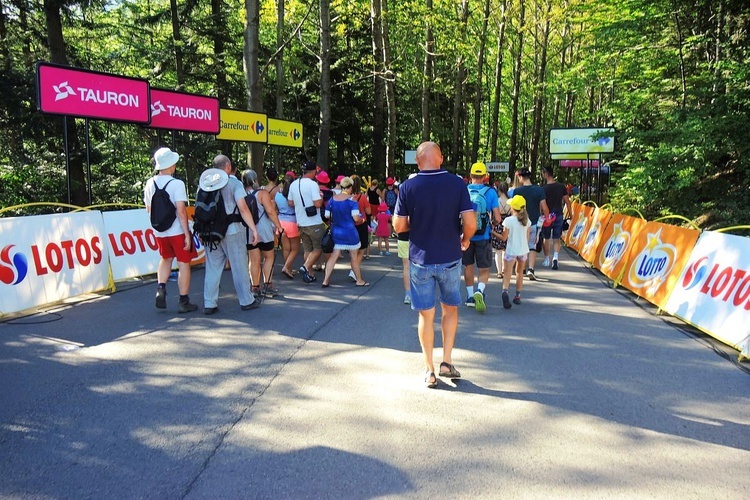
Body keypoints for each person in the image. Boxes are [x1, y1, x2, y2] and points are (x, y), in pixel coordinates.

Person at [393, 141, 476, 389]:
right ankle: (446, 362)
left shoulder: (408, 187)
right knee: (450, 309)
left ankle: (429, 370)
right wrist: (466, 239)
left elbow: (398, 226)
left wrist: (415, 225)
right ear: (440, 158)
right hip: (450, 257)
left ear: (418, 162)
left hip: (420, 260)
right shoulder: (457, 184)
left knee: (426, 315)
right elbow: (470, 221)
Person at [201, 155, 260, 315]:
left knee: (212, 268)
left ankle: (209, 303)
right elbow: (243, 208)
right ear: (227, 166)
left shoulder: (204, 184)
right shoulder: (234, 182)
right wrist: (253, 229)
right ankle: (247, 300)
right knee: (239, 266)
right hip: (232, 230)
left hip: (211, 232)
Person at [143, 147, 199, 313]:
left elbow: (148, 208)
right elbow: (181, 211)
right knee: (183, 264)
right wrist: (187, 235)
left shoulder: (150, 183)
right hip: (177, 231)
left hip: (160, 231)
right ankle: (184, 300)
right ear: (171, 165)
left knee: (165, 258)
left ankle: (161, 288)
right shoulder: (177, 184)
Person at [462, 162, 501, 313]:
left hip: (466, 236)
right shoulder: (490, 192)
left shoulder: (464, 191)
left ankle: (470, 297)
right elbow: (497, 217)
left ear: (470, 176)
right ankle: (480, 290)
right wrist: (491, 221)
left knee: (468, 266)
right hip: (483, 235)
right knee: (484, 269)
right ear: (485, 176)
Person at [242, 169, 283, 298]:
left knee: (253, 259)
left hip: (249, 230)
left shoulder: (240, 193)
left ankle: (255, 287)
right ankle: (268, 284)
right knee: (268, 256)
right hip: (263, 230)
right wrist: (279, 226)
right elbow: (270, 212)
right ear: (255, 179)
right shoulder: (261, 194)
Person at [320, 177, 368, 287]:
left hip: (336, 231)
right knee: (354, 257)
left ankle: (325, 280)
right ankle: (359, 280)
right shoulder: (352, 200)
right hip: (350, 232)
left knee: (334, 256)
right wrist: (363, 219)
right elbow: (356, 218)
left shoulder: (332, 199)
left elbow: (327, 216)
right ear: (350, 187)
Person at [287, 161, 326, 283]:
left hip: (301, 222)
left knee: (308, 249)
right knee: (318, 248)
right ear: (313, 171)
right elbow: (318, 204)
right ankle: (305, 267)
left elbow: (290, 202)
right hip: (314, 222)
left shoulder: (294, 184)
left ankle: (310, 274)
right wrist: (322, 197)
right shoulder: (313, 184)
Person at [513, 167, 549, 280]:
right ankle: (531, 269)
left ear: (520, 177)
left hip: (520, 223)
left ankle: (522, 268)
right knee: (532, 246)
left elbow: (514, 209)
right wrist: (546, 217)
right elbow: (544, 207)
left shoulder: (517, 191)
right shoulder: (539, 190)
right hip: (534, 222)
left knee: (522, 245)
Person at [497, 195, 531, 309]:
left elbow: (504, 238)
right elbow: (527, 237)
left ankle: (505, 291)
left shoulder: (508, 221)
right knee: (519, 272)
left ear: (512, 208)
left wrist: (493, 232)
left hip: (511, 250)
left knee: (507, 273)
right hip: (523, 250)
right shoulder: (527, 221)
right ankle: (517, 296)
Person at [541, 165, 573, 270]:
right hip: (558, 215)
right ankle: (555, 257)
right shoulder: (561, 186)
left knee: (546, 238)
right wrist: (571, 215)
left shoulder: (543, 188)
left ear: (546, 174)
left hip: (547, 217)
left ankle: (547, 259)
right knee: (556, 238)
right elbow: (567, 202)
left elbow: (541, 204)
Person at [275, 172, 301, 280]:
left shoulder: (277, 195)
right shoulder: (293, 195)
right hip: (292, 221)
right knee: (295, 249)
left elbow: (275, 209)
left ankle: (289, 268)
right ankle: (286, 267)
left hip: (281, 222)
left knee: (286, 249)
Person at [348, 174, 371, 279]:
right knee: (361, 249)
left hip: (350, 225)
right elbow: (368, 211)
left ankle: (353, 269)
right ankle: (354, 270)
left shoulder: (347, 197)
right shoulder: (362, 197)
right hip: (361, 224)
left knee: (353, 250)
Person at [491, 182, 512, 278]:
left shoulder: (497, 201)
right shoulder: (510, 201)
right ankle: (504, 269)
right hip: (507, 225)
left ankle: (499, 271)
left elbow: (493, 215)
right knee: (505, 249)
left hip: (498, 224)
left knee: (497, 251)